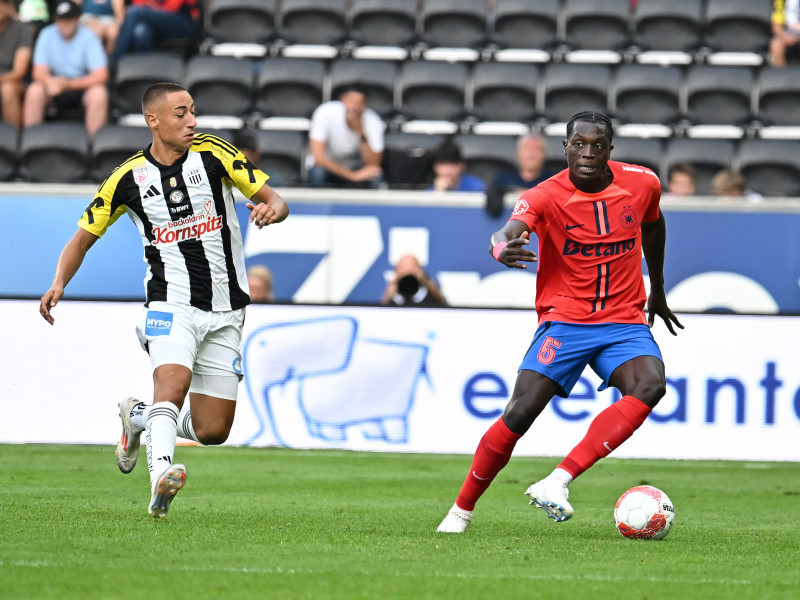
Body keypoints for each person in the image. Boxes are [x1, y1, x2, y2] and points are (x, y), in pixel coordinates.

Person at [39, 82, 289, 519]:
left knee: (213, 430)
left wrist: (273, 209)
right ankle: (160, 481)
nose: (192, 121)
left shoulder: (216, 154)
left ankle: (137, 416)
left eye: (193, 111)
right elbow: (81, 240)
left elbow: (276, 199)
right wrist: (59, 282)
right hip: (169, 303)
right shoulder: (127, 178)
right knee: (171, 387)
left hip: (226, 309)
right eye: (180, 113)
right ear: (153, 120)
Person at [436, 111, 683, 533]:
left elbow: (654, 227)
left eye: (597, 145)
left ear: (610, 149)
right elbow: (507, 231)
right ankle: (460, 511)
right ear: (565, 148)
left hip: (623, 319)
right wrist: (500, 251)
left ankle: (557, 479)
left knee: (651, 384)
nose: (588, 153)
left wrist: (657, 289)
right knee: (519, 413)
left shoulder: (644, 183)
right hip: (566, 319)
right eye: (579, 144)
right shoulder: (544, 195)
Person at [23, 0, 108, 139]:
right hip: (54, 87)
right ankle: (30, 142)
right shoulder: (47, 34)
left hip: (81, 87)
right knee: (34, 90)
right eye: (61, 19)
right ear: (55, 19)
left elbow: (101, 75)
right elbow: (38, 71)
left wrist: (70, 84)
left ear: (77, 18)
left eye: (69, 19)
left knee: (99, 93)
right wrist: (50, 81)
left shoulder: (89, 36)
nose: (65, 23)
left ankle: (95, 146)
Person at [306, 84, 384, 188]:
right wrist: (352, 176)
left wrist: (361, 133)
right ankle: (314, 204)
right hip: (328, 167)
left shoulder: (373, 121)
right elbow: (319, 158)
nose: (354, 107)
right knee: (318, 173)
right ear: (342, 100)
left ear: (365, 105)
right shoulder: (325, 112)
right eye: (351, 101)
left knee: (376, 175)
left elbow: (373, 164)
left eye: (359, 103)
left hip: (356, 167)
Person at [111, 0, 200, 65]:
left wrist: (151, 8)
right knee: (142, 31)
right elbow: (138, 3)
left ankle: (115, 62)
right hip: (155, 20)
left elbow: (172, 7)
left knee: (135, 12)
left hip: (183, 22)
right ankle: (143, 74)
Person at [487, 134, 555, 217]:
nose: (531, 154)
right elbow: (493, 208)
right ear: (518, 153)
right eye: (527, 149)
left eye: (536, 149)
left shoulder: (553, 181)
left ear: (544, 154)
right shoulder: (503, 180)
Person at [0, 0, 32, 127]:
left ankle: (12, 141)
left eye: (3, 3)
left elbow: (19, 72)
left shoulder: (22, 29)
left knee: (7, 89)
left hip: (15, 81)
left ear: (10, 6)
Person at [380, 254, 447, 307]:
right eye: (403, 268)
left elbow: (441, 302)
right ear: (396, 270)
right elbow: (381, 309)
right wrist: (393, 284)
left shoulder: (427, 287)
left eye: (412, 267)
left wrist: (425, 281)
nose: (408, 272)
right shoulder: (394, 289)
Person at [770, 0, 800, 67]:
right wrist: (785, 37)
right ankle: (780, 74)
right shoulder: (781, 2)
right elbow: (776, 26)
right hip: (788, 34)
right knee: (776, 44)